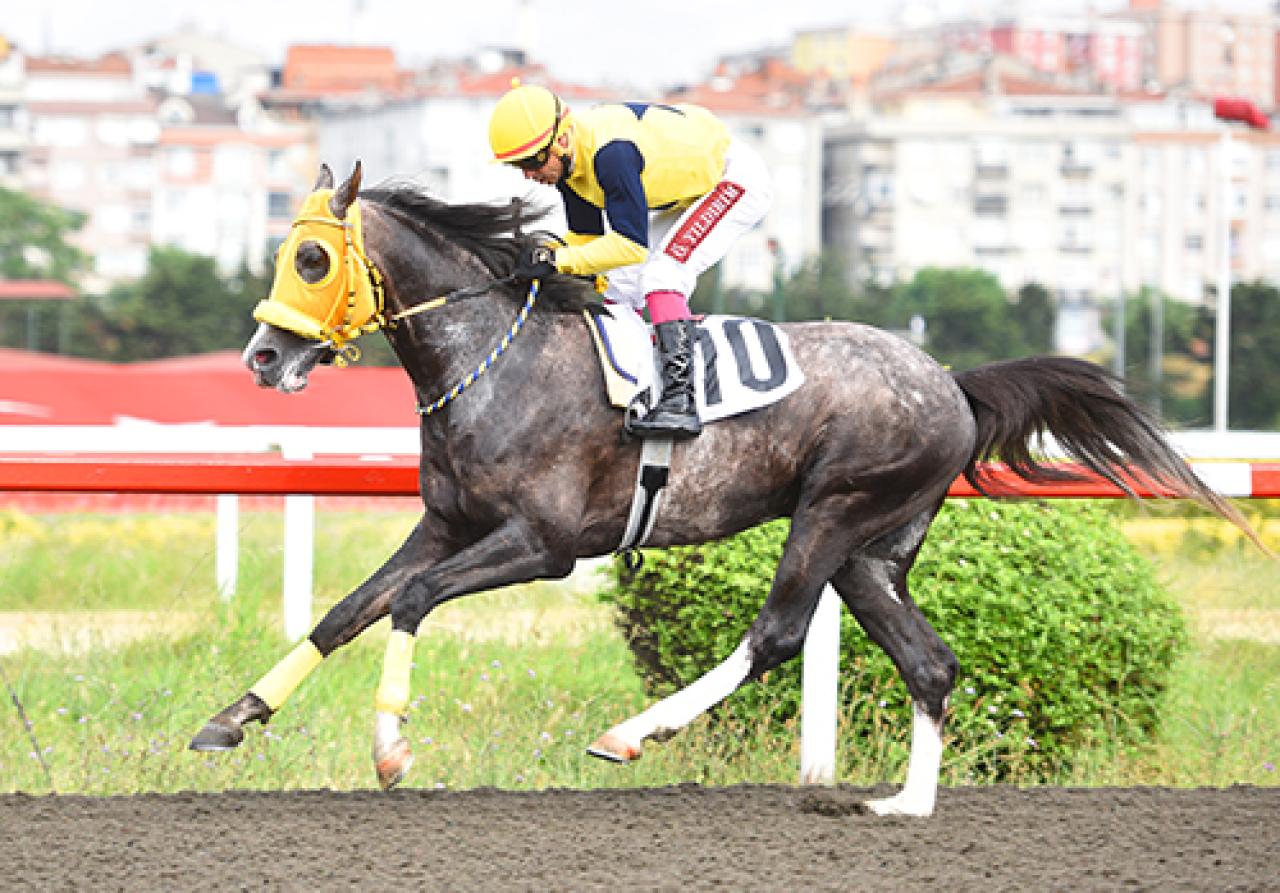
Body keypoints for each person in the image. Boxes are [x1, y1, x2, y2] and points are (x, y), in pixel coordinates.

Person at [488, 81, 773, 439]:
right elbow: (586, 243)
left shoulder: (611, 156)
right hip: (686, 192)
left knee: (662, 276)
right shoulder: (569, 166)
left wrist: (558, 261)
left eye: (532, 162)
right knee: (622, 284)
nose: (529, 174)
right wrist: (544, 256)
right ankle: (631, 388)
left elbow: (630, 247)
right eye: (519, 166)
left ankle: (680, 402)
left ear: (561, 140)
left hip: (733, 180)